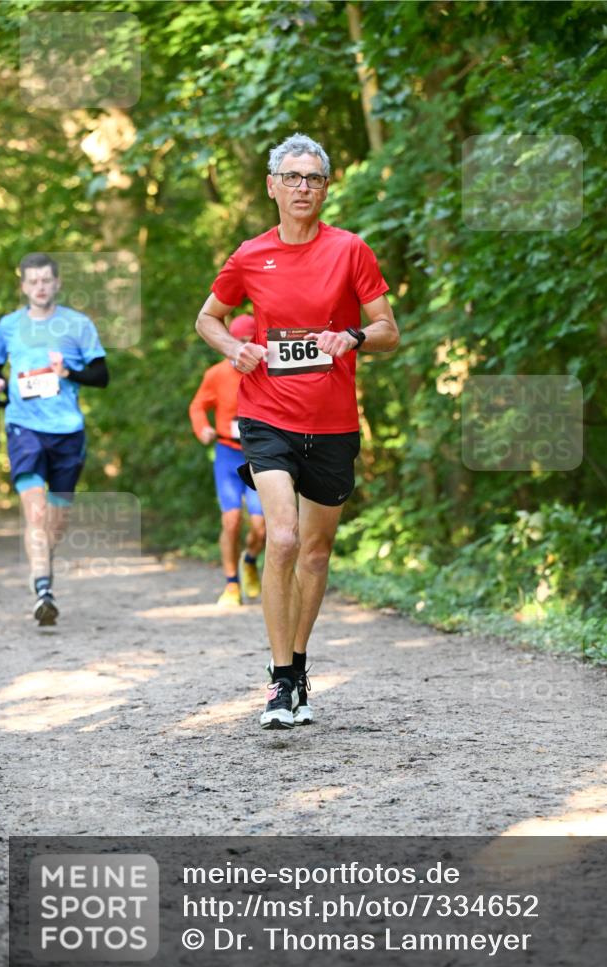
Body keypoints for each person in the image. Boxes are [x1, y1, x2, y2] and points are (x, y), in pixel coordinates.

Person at [195, 133, 399, 729]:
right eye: (293, 177)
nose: (303, 187)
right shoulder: (250, 255)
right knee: (281, 539)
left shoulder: (350, 250)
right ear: (272, 186)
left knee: (315, 551)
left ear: (326, 187)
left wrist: (353, 336)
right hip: (266, 417)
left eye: (313, 178)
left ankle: (300, 664)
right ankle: (280, 683)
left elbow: (388, 328)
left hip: (332, 423)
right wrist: (235, 347)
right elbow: (208, 318)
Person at [0, 252, 109, 626]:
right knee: (35, 511)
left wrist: (67, 371)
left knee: (55, 521)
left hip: (67, 432)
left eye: (46, 280)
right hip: (24, 427)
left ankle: (42, 565)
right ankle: (43, 588)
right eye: (33, 281)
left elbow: (101, 375)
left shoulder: (78, 325)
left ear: (57, 283)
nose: (40, 287)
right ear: (24, 286)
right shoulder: (9, 325)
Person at [189, 313, 266, 606]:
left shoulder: (267, 370)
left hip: (260, 455)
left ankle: (250, 560)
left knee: (261, 527)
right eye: (239, 342)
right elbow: (197, 405)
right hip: (227, 453)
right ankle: (232, 585)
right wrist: (202, 429)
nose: (245, 348)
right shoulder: (217, 374)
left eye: (250, 341)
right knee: (231, 520)